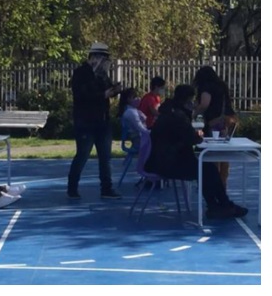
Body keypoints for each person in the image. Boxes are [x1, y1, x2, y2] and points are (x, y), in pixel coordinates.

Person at [146, 84, 247, 219]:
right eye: (193, 100)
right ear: (188, 100)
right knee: (208, 170)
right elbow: (193, 139)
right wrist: (197, 135)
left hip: (163, 159)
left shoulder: (170, 111)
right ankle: (221, 205)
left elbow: (183, 136)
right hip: (169, 163)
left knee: (206, 169)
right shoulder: (178, 115)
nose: (194, 104)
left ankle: (217, 205)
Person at [67, 42, 122, 200]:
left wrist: (114, 90)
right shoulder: (81, 73)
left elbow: (108, 89)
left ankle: (106, 188)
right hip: (85, 121)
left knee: (105, 157)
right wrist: (103, 95)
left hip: (102, 120)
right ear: (94, 57)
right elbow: (81, 96)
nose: (104, 62)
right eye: (102, 58)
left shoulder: (102, 74)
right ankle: (72, 187)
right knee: (83, 154)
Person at [192, 66, 237, 187]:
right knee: (224, 154)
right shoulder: (221, 85)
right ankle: (223, 184)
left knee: (213, 153)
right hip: (228, 119)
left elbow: (205, 104)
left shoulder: (206, 87)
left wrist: (194, 112)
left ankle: (214, 184)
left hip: (214, 121)